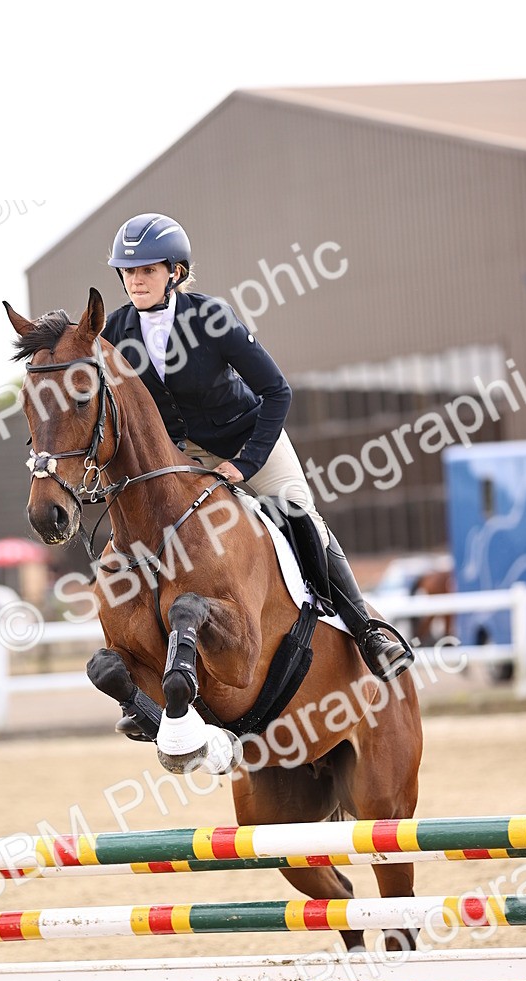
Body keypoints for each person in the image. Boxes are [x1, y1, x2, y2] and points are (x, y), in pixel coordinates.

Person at [103, 212, 413, 687]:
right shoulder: (116, 332)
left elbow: (277, 391)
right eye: (128, 272)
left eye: (147, 270)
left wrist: (245, 463)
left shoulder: (211, 318)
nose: (136, 281)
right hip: (179, 457)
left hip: (247, 440)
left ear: (176, 273)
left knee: (297, 512)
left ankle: (367, 632)